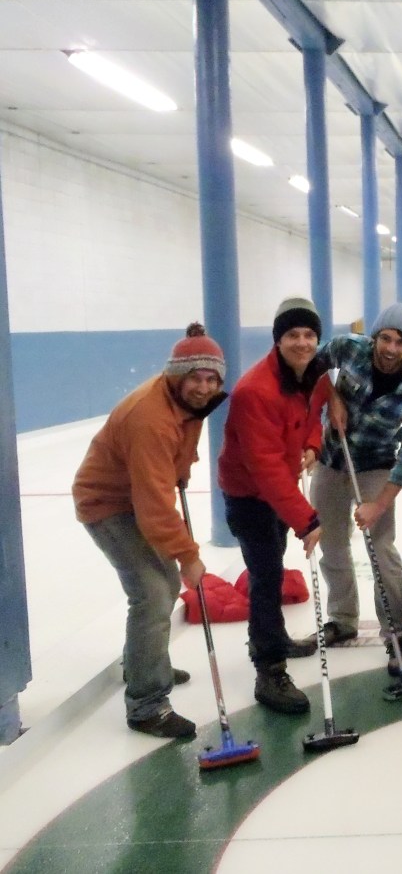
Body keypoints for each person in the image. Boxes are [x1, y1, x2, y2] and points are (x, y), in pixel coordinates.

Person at [73, 324, 227, 739]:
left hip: (134, 496)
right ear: (177, 375)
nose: (204, 387)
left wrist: (179, 471)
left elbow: (169, 469)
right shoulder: (150, 419)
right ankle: (146, 703)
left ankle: (143, 661)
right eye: (195, 377)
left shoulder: (185, 403)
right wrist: (189, 555)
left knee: (163, 582)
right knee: (153, 592)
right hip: (106, 503)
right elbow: (154, 506)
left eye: (212, 379)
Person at [304, 303, 402, 680]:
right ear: (374, 336)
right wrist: (333, 397)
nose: (391, 348)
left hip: (377, 465)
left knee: (381, 546)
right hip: (331, 458)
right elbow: (312, 367)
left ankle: (398, 633)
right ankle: (342, 618)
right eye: (386, 338)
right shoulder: (348, 348)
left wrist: (378, 505)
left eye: (401, 342)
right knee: (332, 542)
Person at [218, 297, 325, 715]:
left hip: (278, 490)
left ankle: (274, 637)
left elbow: (314, 414)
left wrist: (312, 445)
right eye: (293, 335)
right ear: (278, 340)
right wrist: (306, 518)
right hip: (250, 496)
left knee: (274, 567)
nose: (302, 342)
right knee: (265, 577)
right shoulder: (254, 392)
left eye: (309, 335)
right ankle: (269, 669)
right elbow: (265, 472)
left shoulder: (309, 375)